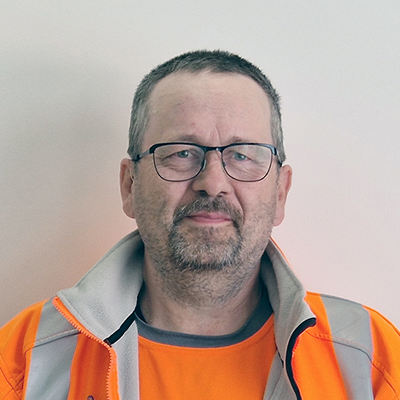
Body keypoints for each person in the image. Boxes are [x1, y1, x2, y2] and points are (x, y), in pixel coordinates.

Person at [0, 50, 399, 400]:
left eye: (242, 155)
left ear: (280, 193)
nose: (213, 182)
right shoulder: (24, 359)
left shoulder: (371, 360)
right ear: (129, 185)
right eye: (181, 152)